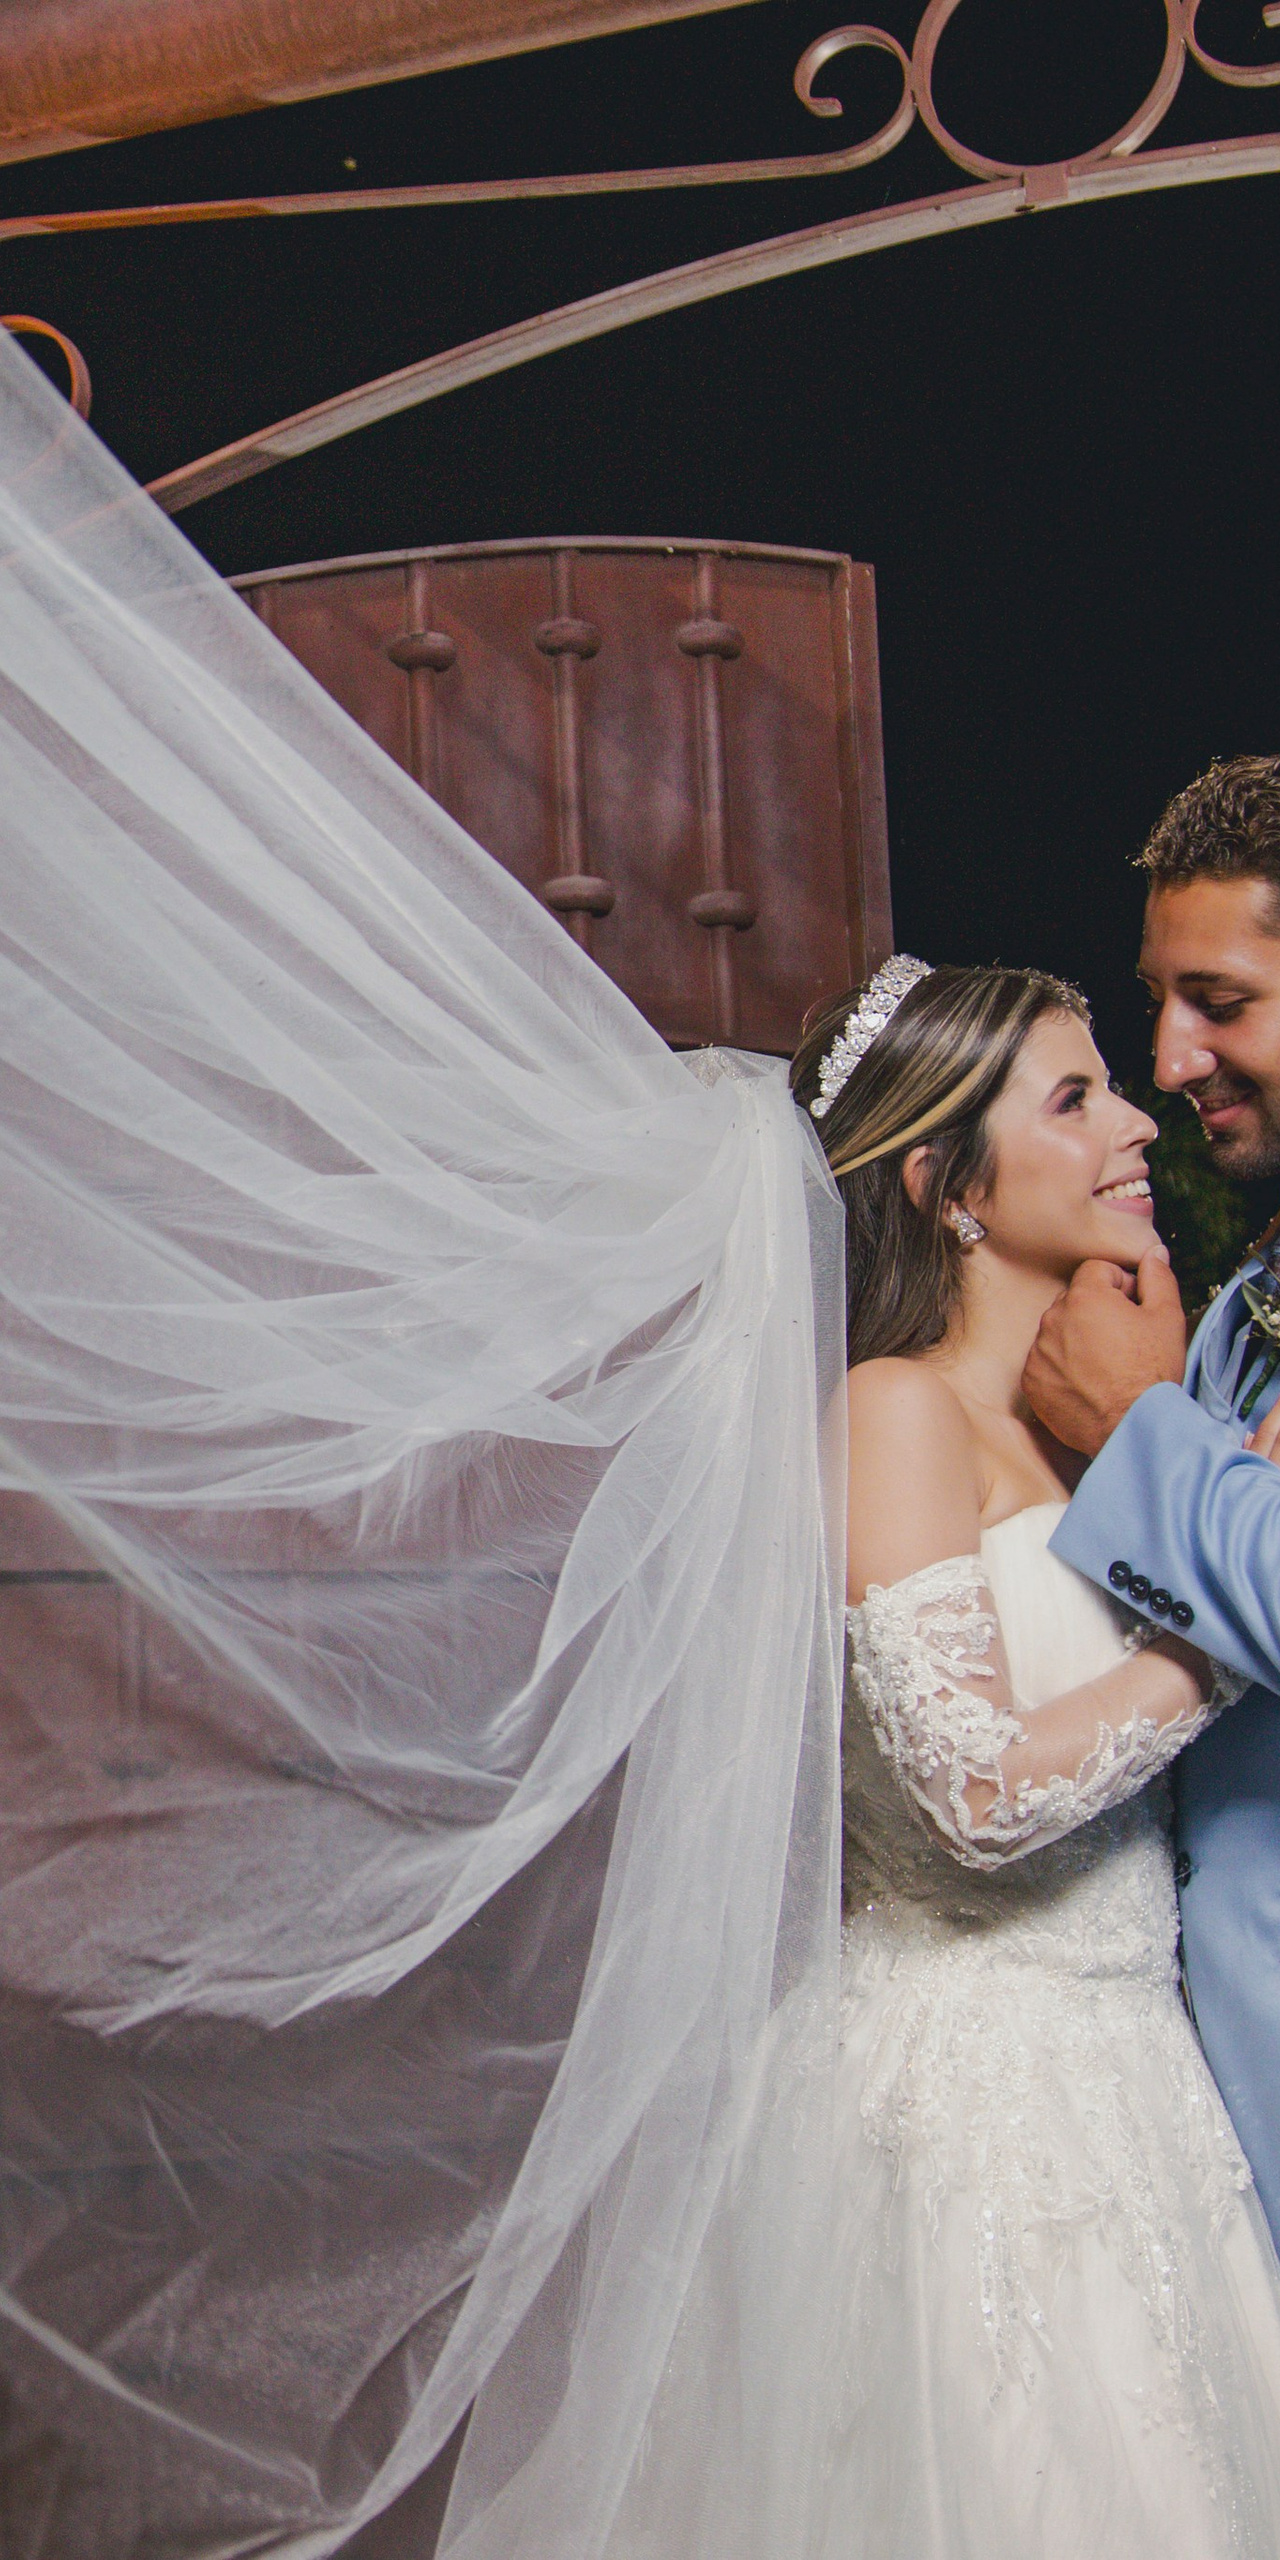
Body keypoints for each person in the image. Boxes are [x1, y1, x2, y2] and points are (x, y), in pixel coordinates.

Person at [610, 954, 1280, 2556]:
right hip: (984, 2106)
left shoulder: (1118, 1415)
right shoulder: (895, 1411)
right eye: (1074, 1097)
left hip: (1151, 2092)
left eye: (1114, 1081)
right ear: (945, 1188)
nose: (1135, 1123)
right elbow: (978, 1796)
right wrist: (1217, 1642)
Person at [1028, 759, 1280, 2224]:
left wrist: (1135, 1426)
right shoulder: (1242, 1301)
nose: (1172, 1060)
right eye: (1161, 1002)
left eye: (1223, 1002)